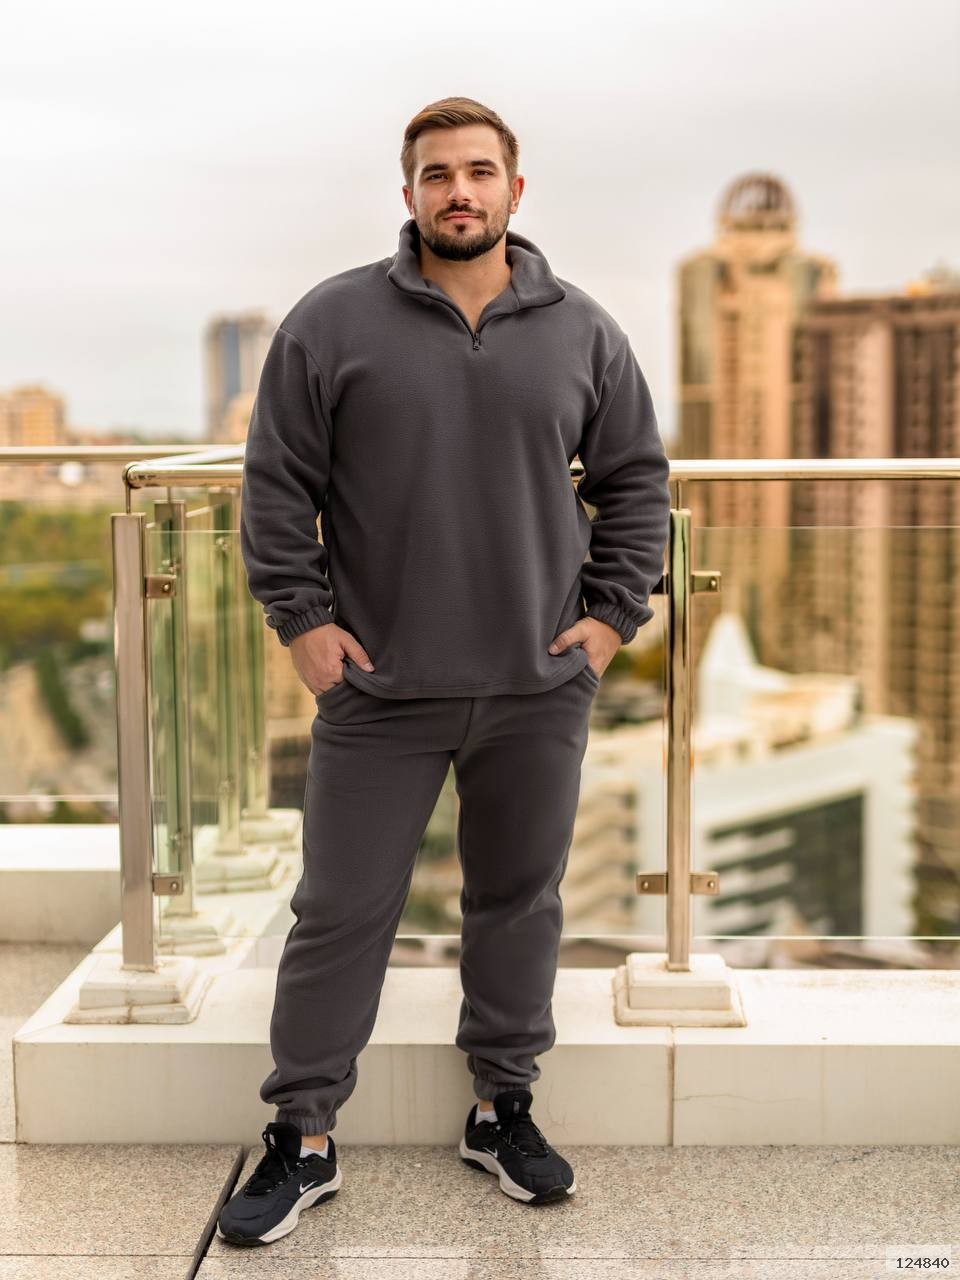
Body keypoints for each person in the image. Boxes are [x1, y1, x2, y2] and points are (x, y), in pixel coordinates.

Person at [217, 95, 671, 1248]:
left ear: (516, 189)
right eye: (435, 174)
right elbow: (275, 485)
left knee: (519, 901)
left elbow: (637, 481)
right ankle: (303, 1132)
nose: (457, 190)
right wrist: (303, 625)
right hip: (377, 690)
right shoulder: (331, 322)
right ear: (409, 192)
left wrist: (610, 619)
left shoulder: (585, 331)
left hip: (537, 683)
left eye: (477, 171)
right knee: (339, 910)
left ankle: (501, 1107)